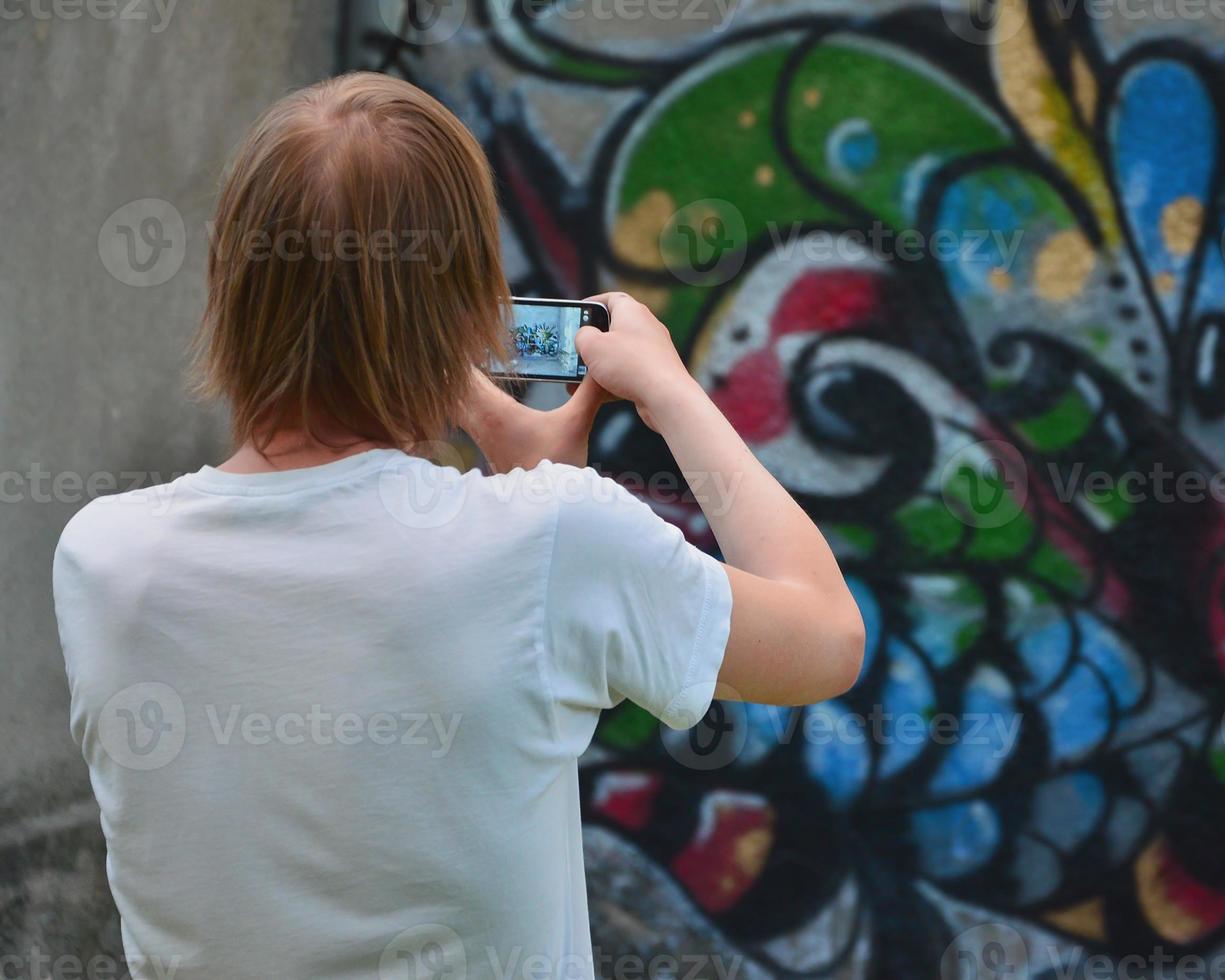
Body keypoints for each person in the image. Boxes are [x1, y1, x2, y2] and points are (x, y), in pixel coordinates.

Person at [52, 72, 863, 979]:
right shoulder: (551, 541)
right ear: (467, 307)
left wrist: (516, 472)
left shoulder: (102, 559)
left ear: (231, 285)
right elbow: (826, 640)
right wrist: (669, 391)